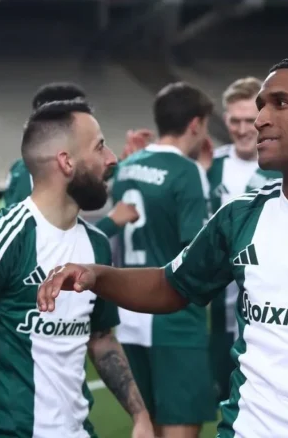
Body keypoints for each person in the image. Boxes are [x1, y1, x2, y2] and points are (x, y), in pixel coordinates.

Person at [36, 54, 288, 438]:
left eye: (280, 103)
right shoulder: (240, 216)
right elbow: (170, 286)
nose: (261, 119)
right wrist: (96, 276)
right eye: (261, 106)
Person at [0, 100, 154, 438]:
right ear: (66, 161)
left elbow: (101, 338)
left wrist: (140, 414)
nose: (112, 159)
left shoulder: (97, 245)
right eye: (100, 147)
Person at [110, 82, 216, 438]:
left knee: (147, 425)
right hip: (173, 317)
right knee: (179, 425)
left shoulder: (127, 166)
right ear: (195, 124)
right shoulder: (187, 171)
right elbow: (195, 250)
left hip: (129, 315)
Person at [207, 76, 282, 406]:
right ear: (225, 120)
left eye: (248, 120)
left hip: (270, 306)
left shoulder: (283, 167)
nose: (241, 129)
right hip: (218, 309)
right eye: (234, 121)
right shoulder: (209, 166)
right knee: (224, 401)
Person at [2, 82, 145, 237]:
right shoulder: (29, 175)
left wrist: (125, 162)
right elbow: (42, 241)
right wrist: (111, 222)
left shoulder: (29, 168)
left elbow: (87, 172)